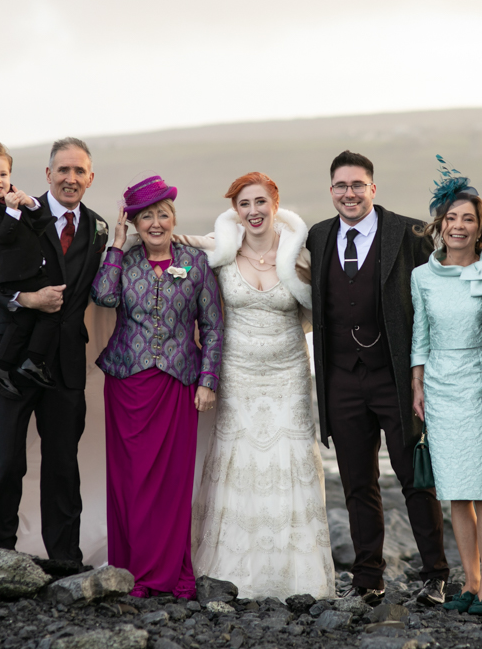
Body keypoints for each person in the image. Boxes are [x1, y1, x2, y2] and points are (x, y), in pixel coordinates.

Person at [176, 172, 335, 600]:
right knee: (239, 460)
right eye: (244, 204)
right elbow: (173, 246)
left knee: (290, 460)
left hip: (289, 375)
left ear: (275, 204)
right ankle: (231, 573)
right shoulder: (221, 249)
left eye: (260, 202)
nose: (253, 211)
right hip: (237, 374)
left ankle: (296, 577)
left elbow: (321, 311)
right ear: (235, 210)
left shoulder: (299, 256)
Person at [306, 150, 449, 607]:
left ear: (373, 188)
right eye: (341, 186)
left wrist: (428, 374)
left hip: (397, 378)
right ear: (331, 191)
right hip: (341, 380)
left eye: (357, 185)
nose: (349, 193)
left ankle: (435, 575)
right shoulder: (318, 236)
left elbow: (435, 301)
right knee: (357, 483)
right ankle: (368, 578)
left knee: (415, 477)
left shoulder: (409, 233)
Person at [0, 137, 108, 564]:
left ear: (90, 178)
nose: (70, 178)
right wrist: (25, 300)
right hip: (11, 362)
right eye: (62, 169)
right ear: (48, 174)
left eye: (79, 171)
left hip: (66, 365)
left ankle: (65, 560)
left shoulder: (99, 229)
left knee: (63, 465)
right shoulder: (16, 213)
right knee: (7, 461)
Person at [91, 175, 224, 599]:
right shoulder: (125, 260)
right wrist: (116, 245)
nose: (155, 223)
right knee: (130, 480)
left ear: (173, 218)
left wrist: (208, 381)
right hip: (127, 385)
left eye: (162, 214)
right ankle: (131, 570)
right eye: (145, 217)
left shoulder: (195, 263)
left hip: (177, 385)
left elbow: (214, 327)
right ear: (134, 223)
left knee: (171, 482)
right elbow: (103, 297)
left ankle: (166, 570)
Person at [409, 173, 482, 616]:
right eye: (451, 218)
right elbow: (421, 333)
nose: (458, 226)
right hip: (440, 388)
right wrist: (417, 382)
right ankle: (468, 582)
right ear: (440, 224)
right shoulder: (421, 276)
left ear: (479, 226)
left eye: (467, 219)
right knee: (455, 493)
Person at [0, 135, 58, 397]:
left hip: (29, 268)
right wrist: (12, 211)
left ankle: (3, 367)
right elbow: (2, 237)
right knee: (52, 309)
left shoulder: (13, 197)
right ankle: (33, 361)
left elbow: (43, 222)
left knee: (23, 322)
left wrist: (30, 203)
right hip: (16, 274)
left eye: (3, 174)